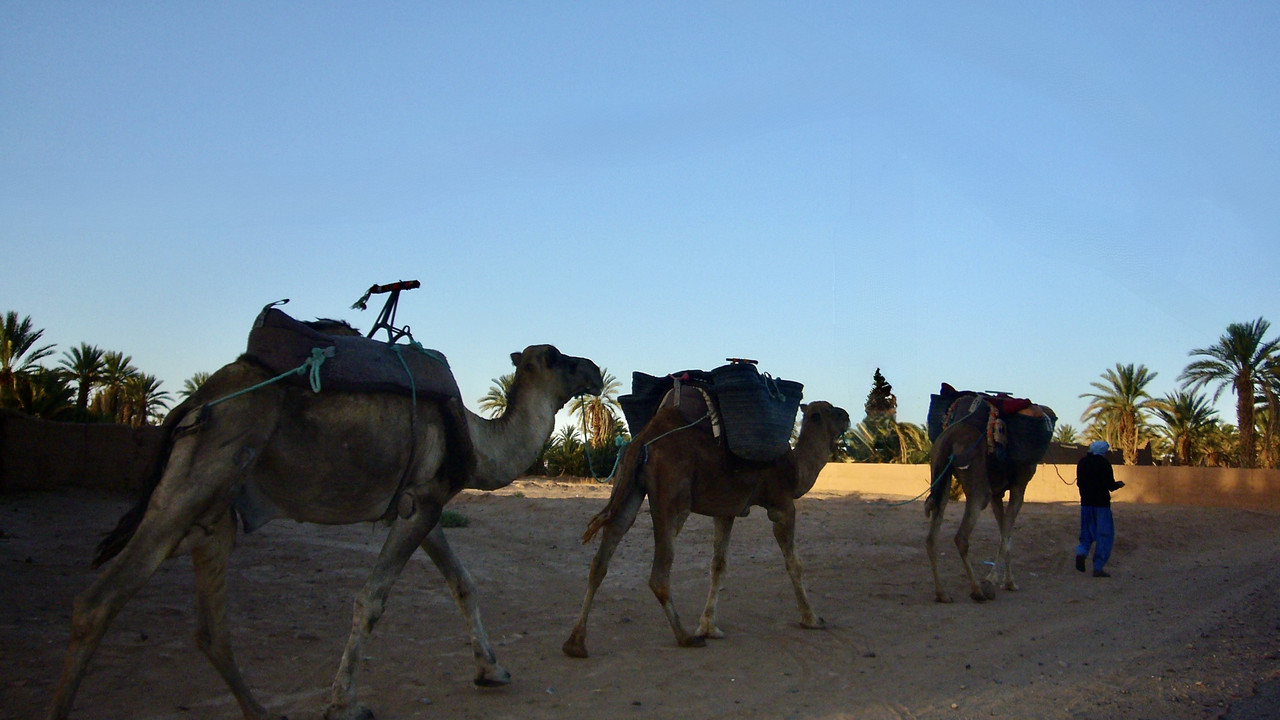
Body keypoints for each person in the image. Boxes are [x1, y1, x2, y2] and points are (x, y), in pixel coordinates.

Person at [1075, 440, 1125, 577]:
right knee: (1104, 535)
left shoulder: (1082, 462)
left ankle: (1081, 552)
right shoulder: (1104, 463)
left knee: (1086, 533)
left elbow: (1079, 483)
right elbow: (1110, 485)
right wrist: (1119, 485)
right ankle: (1098, 567)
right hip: (1102, 505)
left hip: (1086, 504)